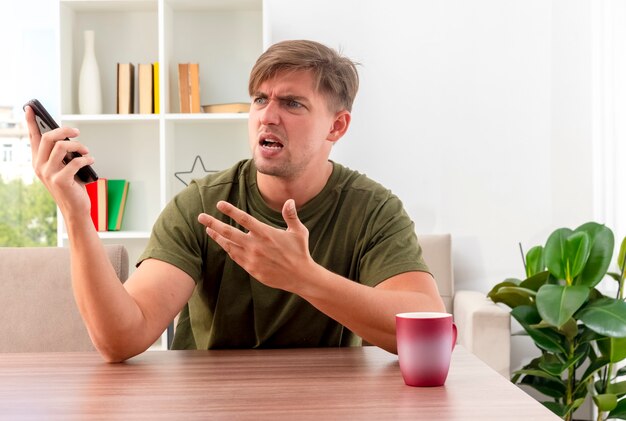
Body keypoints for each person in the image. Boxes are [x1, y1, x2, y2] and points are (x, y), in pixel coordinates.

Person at [25, 40, 445, 362]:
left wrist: (304, 277)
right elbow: (121, 339)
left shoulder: (372, 209)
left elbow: (426, 327)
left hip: (328, 402)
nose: (267, 115)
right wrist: (76, 215)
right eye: (260, 99)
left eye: (292, 103)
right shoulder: (201, 205)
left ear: (336, 126)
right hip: (210, 404)